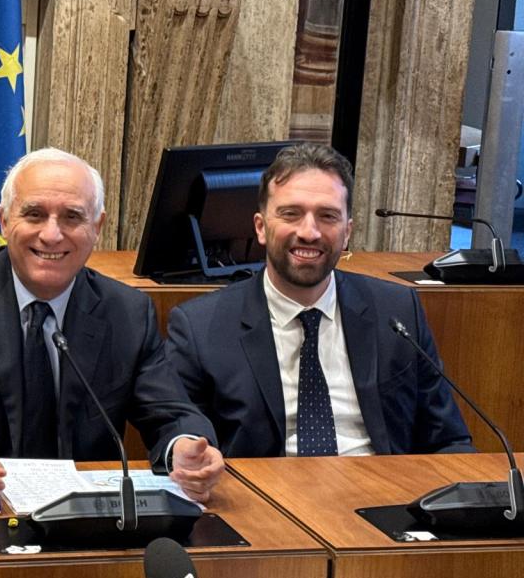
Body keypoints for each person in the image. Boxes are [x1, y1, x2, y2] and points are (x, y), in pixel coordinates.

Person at [0, 148, 223, 508]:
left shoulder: (127, 312)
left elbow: (174, 413)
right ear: (3, 220)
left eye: (72, 217)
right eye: (34, 214)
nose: (52, 234)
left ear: (98, 227)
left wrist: (186, 448)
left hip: (89, 521)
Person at [165, 142, 473, 458]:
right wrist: (189, 456)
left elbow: (449, 441)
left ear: (347, 231)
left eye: (327, 216)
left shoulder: (396, 312)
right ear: (261, 227)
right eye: (291, 214)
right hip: (265, 499)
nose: (309, 232)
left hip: (381, 494)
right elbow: (179, 432)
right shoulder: (201, 327)